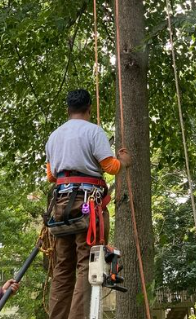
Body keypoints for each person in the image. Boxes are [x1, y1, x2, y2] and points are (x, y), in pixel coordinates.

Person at [45, 88, 133, 319]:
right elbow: (110, 167)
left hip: (61, 206)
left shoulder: (54, 136)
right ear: (88, 109)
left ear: (68, 109)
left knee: (63, 267)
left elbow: (51, 176)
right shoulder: (93, 132)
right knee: (87, 263)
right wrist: (123, 161)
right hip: (87, 204)